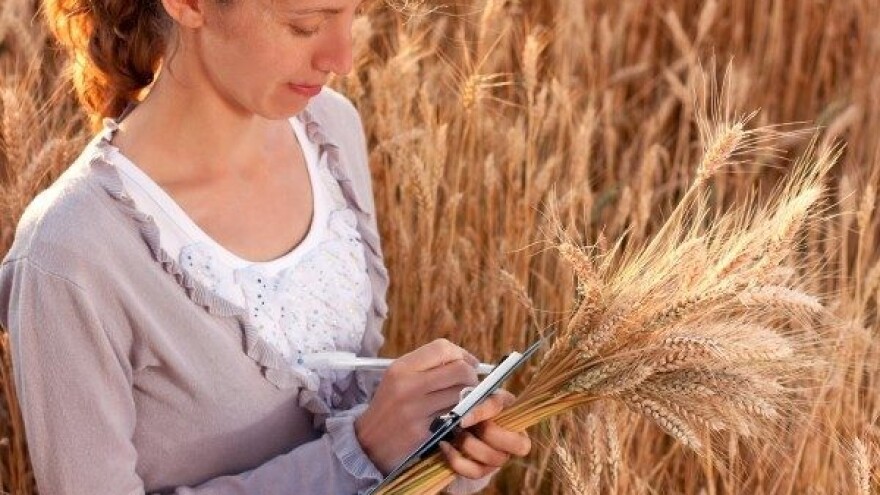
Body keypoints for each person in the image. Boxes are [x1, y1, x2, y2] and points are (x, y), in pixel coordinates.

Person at [0, 0, 531, 493]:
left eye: (354, 12)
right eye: (305, 24)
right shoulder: (70, 253)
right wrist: (360, 451)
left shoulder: (330, 131)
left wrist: (437, 444)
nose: (342, 59)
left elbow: (361, 421)